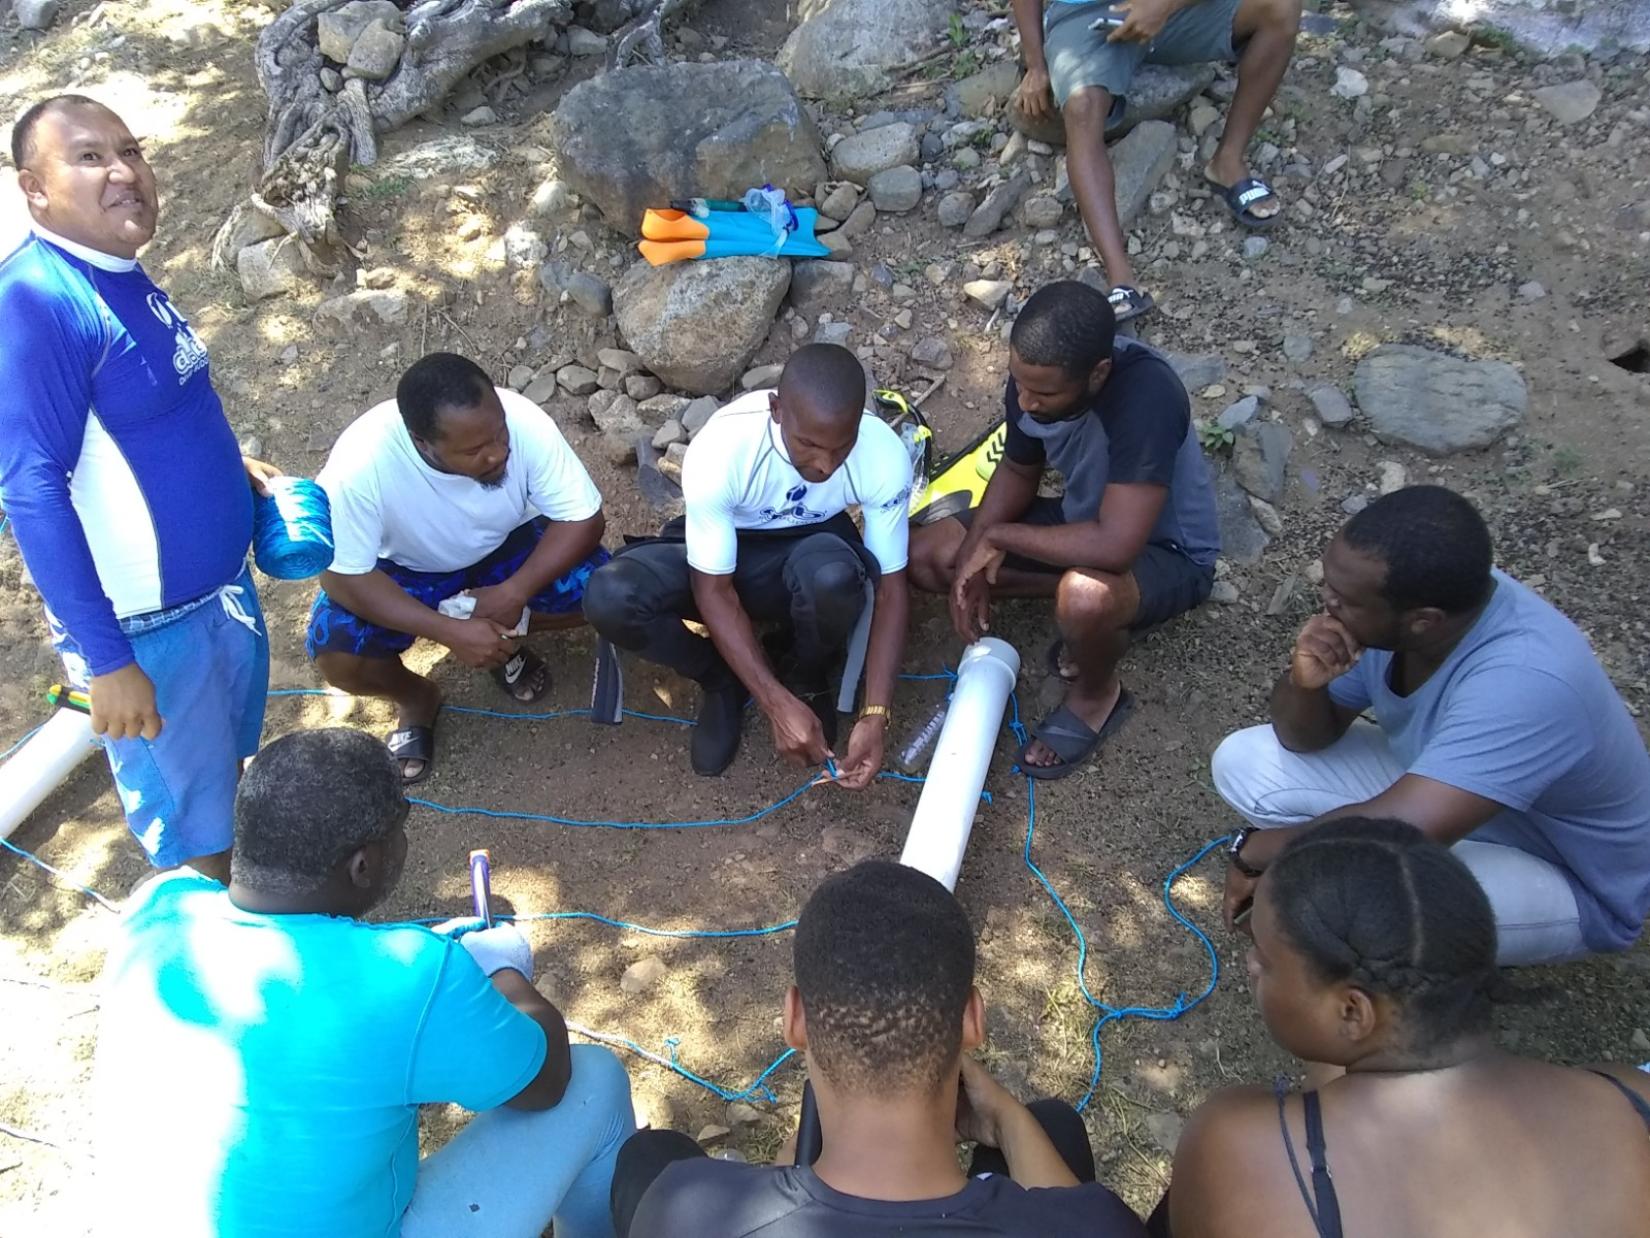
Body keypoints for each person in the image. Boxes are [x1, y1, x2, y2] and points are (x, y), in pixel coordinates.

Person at [94, 727, 637, 1238]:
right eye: (398, 832)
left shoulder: (154, 908)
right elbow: (545, 1084)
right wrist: (504, 974)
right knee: (595, 1080)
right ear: (363, 866)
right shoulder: (412, 975)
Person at [0, 95, 280, 883]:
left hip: (217, 599)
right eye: (90, 157)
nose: (124, 171)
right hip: (149, 635)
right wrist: (108, 661)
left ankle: (253, 920)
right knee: (196, 836)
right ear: (34, 188)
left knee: (226, 785)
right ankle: (218, 978)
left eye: (131, 149)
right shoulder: (39, 302)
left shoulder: (118, 272)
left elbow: (159, 408)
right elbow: (30, 490)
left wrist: (233, 469)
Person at [1211, 485, 1650, 966]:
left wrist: (1254, 851)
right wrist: (1307, 683)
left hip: (1566, 873)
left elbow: (1399, 833)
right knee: (1246, 764)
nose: (1326, 601)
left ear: (1423, 621)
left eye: (1343, 599)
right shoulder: (1413, 604)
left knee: (1353, 903)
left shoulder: (1528, 680)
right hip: (1448, 793)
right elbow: (1303, 738)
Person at [1157, 818, 1650, 1238]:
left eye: (1263, 957)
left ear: (1353, 1013)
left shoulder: (1238, 1146)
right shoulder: (1628, 1097)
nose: (1250, 964)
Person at [611, 860, 1147, 1237]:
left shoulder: (686, 1208)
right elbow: (1069, 1217)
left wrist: (807, 1141)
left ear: (795, 1021)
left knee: (648, 1155)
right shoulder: (1102, 1223)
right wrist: (1006, 1117)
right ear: (972, 1019)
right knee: (1051, 1124)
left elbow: (773, 1199)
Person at [908, 281, 1219, 780]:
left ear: (1097, 374)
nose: (1025, 401)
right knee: (931, 555)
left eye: (1044, 393)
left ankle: (1097, 694)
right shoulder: (1033, 375)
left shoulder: (1147, 396)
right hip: (1083, 525)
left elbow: (1117, 546)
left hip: (1167, 554)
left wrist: (999, 540)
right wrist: (972, 559)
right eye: (1019, 384)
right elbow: (1017, 469)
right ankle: (1091, 616)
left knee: (1086, 596)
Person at [583, 344, 911, 784]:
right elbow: (712, 589)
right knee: (610, 595)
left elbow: (890, 587)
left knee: (834, 578)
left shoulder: (883, 455)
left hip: (811, 552)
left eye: (842, 446)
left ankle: (806, 670)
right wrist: (773, 704)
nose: (825, 464)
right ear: (776, 410)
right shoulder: (724, 448)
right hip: (724, 558)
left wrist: (875, 714)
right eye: (809, 444)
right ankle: (721, 681)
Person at [308, 351, 609, 783]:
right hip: (410, 569)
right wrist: (447, 630)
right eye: (475, 450)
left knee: (607, 593)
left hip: (507, 545)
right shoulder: (360, 466)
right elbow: (339, 576)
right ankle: (417, 697)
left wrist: (513, 594)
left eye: (499, 433)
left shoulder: (523, 421)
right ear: (422, 443)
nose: (498, 452)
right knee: (338, 654)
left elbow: (585, 519)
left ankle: (504, 639)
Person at [1010, 0, 1302, 321]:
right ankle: (1121, 277)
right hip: (1084, 15)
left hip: (1173, 9)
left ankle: (1228, 161)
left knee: (1281, 8)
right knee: (1081, 109)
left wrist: (1163, 6)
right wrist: (1035, 64)